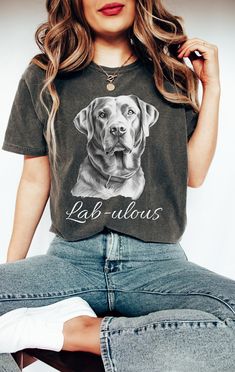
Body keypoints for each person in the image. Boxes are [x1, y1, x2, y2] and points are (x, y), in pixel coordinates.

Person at [0, 0, 235, 371]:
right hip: (71, 260)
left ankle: (79, 334)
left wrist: (213, 87)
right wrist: (12, 286)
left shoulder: (171, 73)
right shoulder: (44, 74)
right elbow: (34, 178)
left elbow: (194, 174)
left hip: (158, 265)